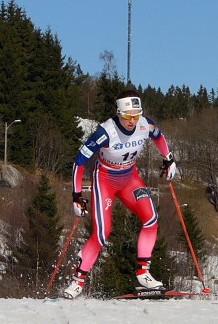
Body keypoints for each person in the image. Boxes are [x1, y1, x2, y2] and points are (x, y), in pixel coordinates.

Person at [63, 89, 177, 299]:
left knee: (151, 219)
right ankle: (77, 280)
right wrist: (77, 195)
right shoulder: (105, 132)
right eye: (127, 116)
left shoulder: (145, 124)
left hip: (129, 178)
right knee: (102, 233)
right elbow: (79, 162)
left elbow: (159, 137)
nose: (132, 121)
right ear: (118, 113)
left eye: (136, 115)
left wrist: (168, 158)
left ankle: (143, 273)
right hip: (105, 179)